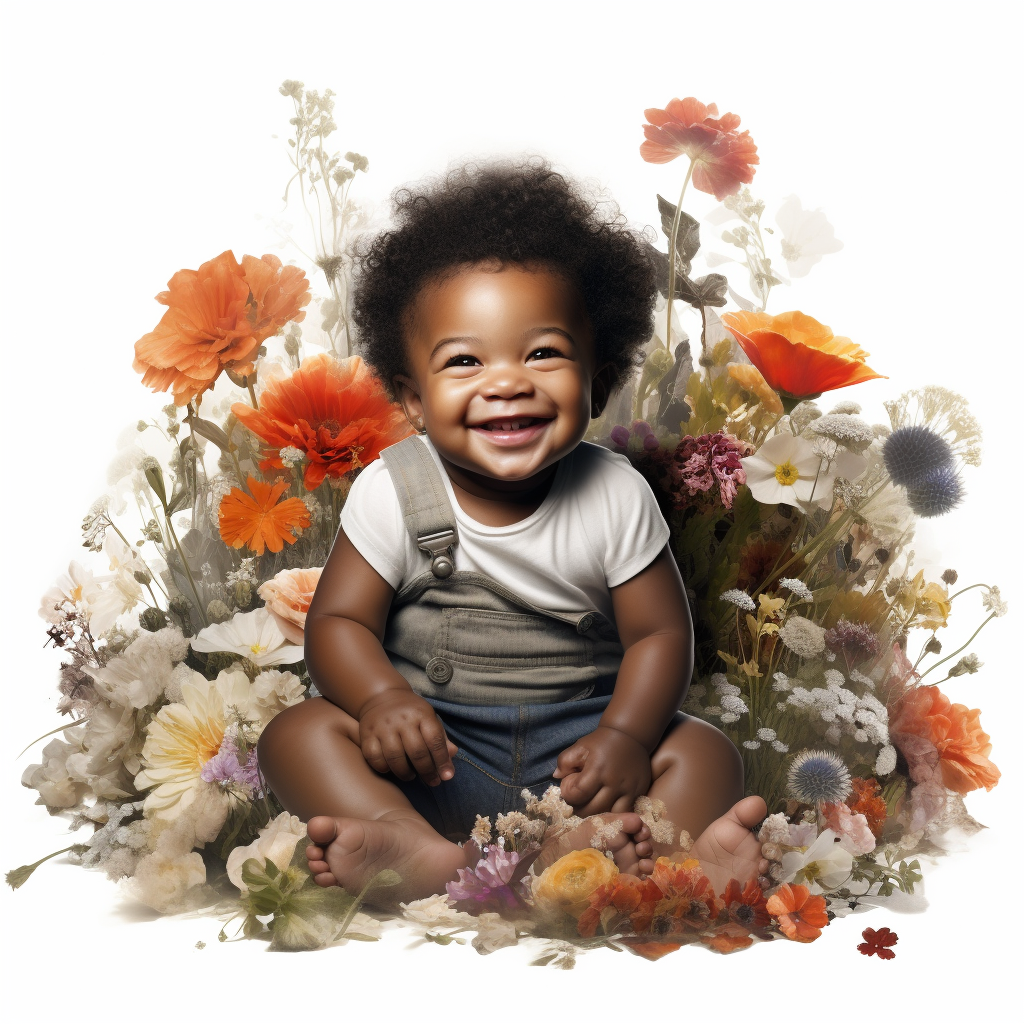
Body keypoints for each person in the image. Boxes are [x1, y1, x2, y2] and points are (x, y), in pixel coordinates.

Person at [257, 159, 767, 905]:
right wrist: (376, 702)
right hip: (434, 757)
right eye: (464, 361)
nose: (507, 381)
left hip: (583, 765)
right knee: (297, 735)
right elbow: (336, 623)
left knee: (704, 751)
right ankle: (418, 848)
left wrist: (625, 736)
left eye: (543, 353)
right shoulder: (394, 489)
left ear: (596, 376)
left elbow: (659, 636)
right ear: (414, 399)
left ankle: (593, 856)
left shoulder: (615, 493)